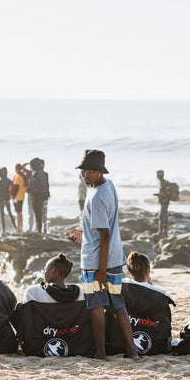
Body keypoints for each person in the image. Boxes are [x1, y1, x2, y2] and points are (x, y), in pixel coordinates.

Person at [66, 149, 139, 361]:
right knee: (118, 304)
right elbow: (100, 230)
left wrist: (100, 269)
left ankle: (100, 352)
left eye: (91, 170)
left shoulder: (96, 197)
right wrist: (82, 235)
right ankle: (132, 351)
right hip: (115, 259)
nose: (86, 174)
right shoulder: (108, 186)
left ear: (100, 172)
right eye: (84, 169)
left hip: (96, 263)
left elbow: (104, 236)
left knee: (97, 305)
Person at [13, 254, 94, 357]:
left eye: (45, 269)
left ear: (53, 270)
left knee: (20, 309)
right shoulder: (80, 292)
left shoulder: (33, 292)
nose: (44, 273)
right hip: (77, 347)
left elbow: (24, 319)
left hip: (37, 348)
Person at [107, 252, 175, 356]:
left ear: (129, 272)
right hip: (157, 347)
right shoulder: (160, 295)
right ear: (147, 271)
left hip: (118, 344)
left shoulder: (119, 287)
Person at [154, 170, 179, 237]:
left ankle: (161, 232)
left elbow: (165, 193)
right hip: (165, 201)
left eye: (157, 175)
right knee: (165, 215)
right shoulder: (164, 182)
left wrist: (159, 194)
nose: (157, 176)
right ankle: (165, 232)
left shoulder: (162, 183)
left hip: (164, 202)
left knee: (162, 216)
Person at [29, 157, 50, 235]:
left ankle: (39, 231)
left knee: (37, 213)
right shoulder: (42, 173)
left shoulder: (34, 173)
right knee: (41, 213)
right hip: (43, 194)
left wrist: (33, 195)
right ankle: (40, 230)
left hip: (37, 195)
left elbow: (35, 186)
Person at [0, 167, 17, 235]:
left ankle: (3, 230)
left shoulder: (0, 182)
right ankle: (15, 227)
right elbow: (12, 190)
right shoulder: (9, 181)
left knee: (2, 214)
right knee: (10, 213)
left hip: (1, 199)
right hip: (7, 199)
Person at [11, 164, 28, 233]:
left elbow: (16, 187)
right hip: (22, 196)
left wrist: (13, 196)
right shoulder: (23, 176)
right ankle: (21, 228)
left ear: (16, 169)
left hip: (17, 197)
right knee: (20, 213)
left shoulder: (18, 176)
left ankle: (18, 229)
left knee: (18, 213)